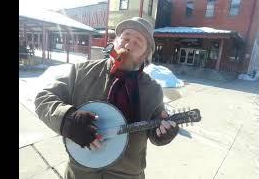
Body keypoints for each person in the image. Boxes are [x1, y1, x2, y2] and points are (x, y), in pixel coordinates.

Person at [34, 17, 179, 179]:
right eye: (125, 38)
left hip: (128, 174)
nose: (129, 45)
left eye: (138, 43)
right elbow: (43, 99)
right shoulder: (82, 71)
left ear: (145, 55)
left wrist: (163, 134)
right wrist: (67, 119)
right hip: (80, 172)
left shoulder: (153, 90)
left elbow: (155, 129)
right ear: (115, 41)